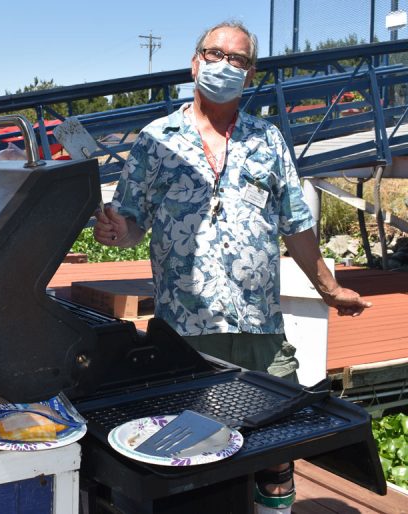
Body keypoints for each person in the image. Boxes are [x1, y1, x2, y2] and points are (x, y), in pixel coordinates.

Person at [94, 20, 372, 514]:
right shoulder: (157, 141)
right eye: (214, 53)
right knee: (189, 457)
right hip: (185, 333)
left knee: (276, 454)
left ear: (251, 72)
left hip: (260, 328)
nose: (224, 65)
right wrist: (116, 232)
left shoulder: (267, 140)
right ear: (195, 61)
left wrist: (329, 289)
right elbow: (131, 222)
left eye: (238, 59)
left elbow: (297, 226)